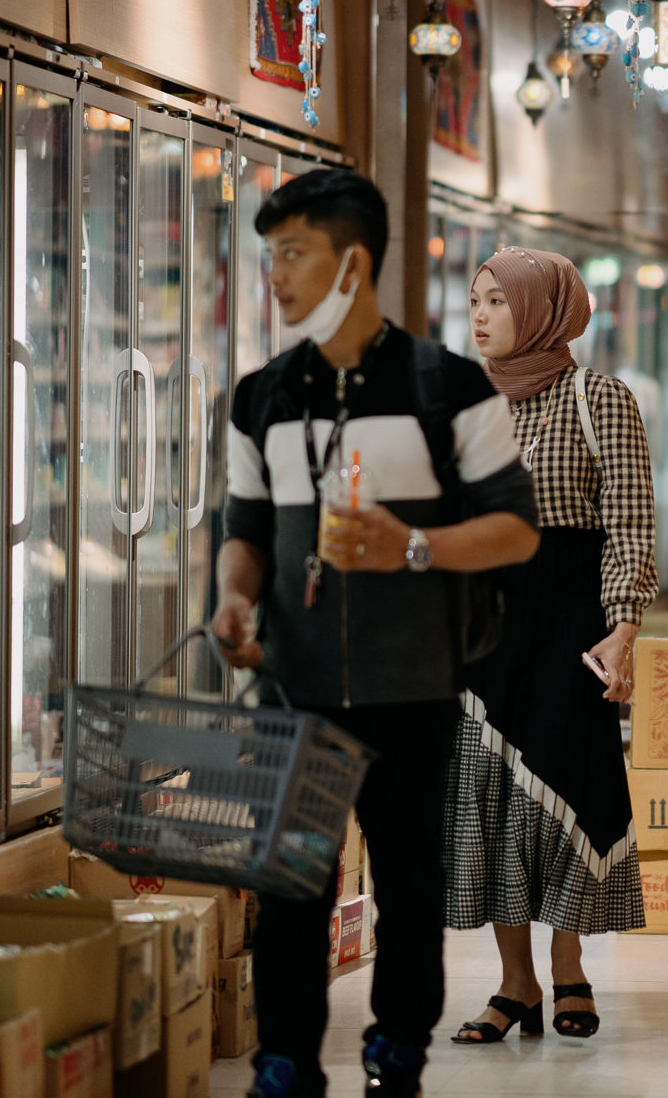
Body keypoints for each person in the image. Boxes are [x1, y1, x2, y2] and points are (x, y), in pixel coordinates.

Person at [211, 169, 540, 1098]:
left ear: (352, 262)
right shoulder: (261, 397)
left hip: (415, 686)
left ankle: (398, 1051)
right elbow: (243, 533)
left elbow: (516, 527)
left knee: (407, 888)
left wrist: (413, 548)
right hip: (293, 686)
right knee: (289, 890)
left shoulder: (450, 389)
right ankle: (284, 1063)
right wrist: (234, 600)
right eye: (268, 254)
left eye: (292, 253)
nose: (273, 275)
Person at [445, 248, 657, 1043]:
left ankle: (569, 971)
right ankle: (514, 984)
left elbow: (630, 521)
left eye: (498, 300)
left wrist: (625, 625)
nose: (481, 314)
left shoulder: (598, 400)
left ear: (540, 309)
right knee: (489, 794)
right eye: (476, 300)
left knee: (563, 784)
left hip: (570, 623)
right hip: (479, 628)